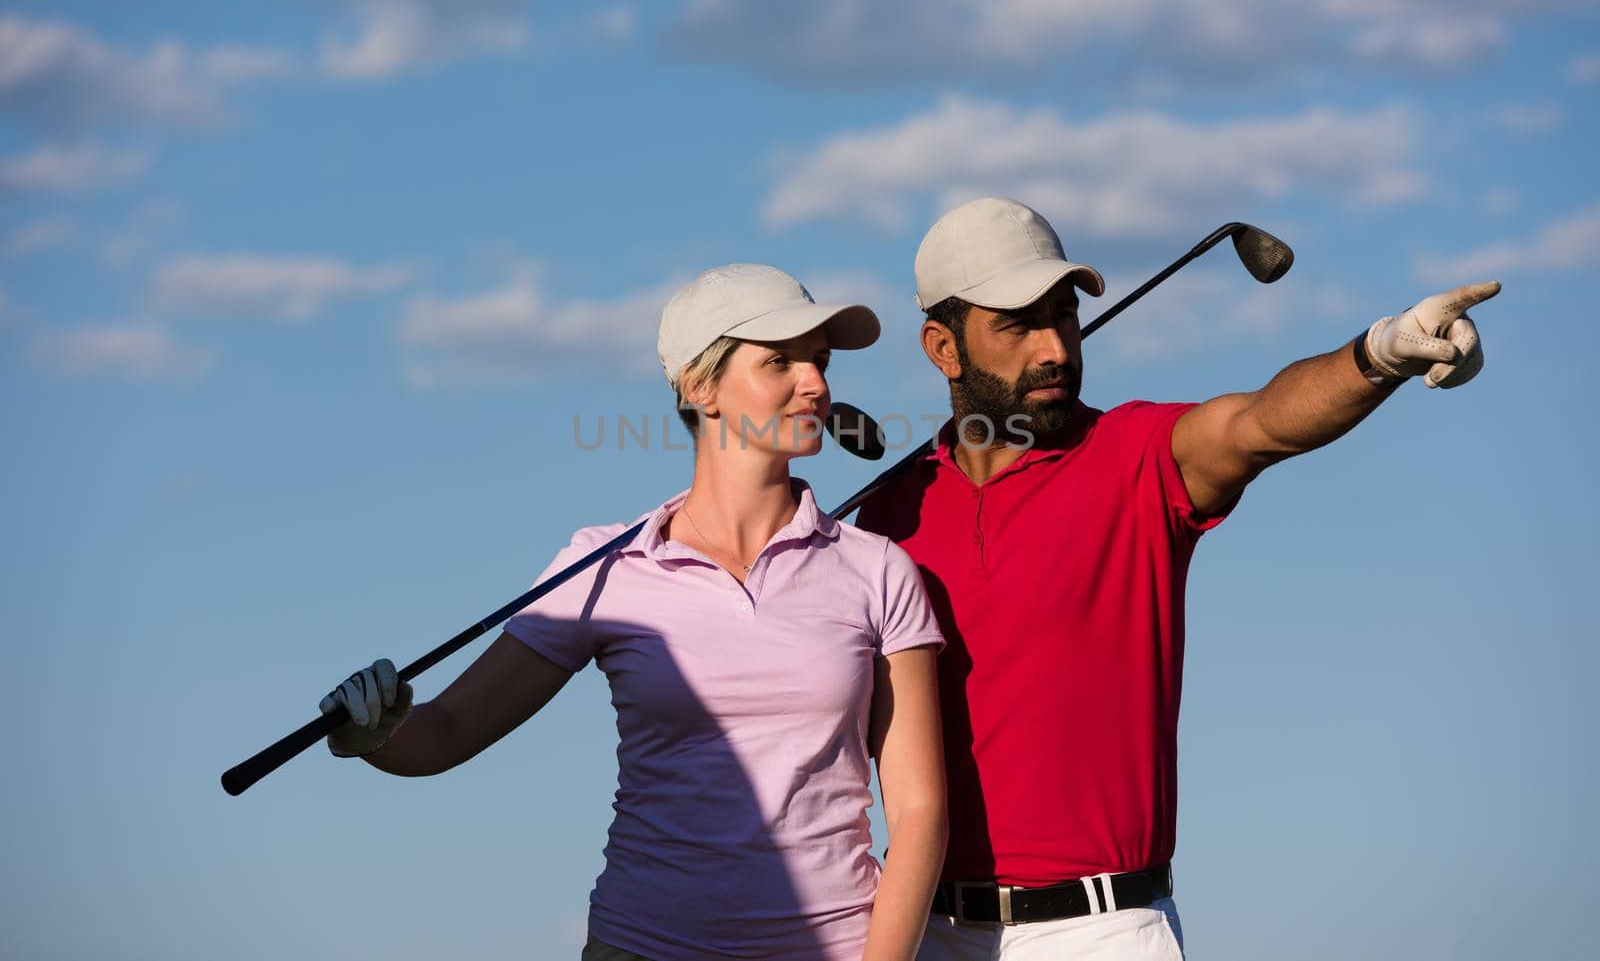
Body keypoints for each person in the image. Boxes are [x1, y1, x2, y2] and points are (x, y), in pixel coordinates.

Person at [852, 197, 1500, 960]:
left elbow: (1262, 422)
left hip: (1106, 931)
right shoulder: (888, 518)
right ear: (943, 347)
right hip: (924, 930)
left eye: (1064, 316)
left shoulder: (1138, 456)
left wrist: (1379, 355)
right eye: (1020, 325)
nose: (1056, 347)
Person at [321, 263, 949, 960]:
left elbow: (920, 813)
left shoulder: (875, 568)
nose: (816, 384)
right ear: (699, 385)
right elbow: (445, 732)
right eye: (779, 362)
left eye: (821, 362)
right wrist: (373, 733)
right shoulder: (605, 568)